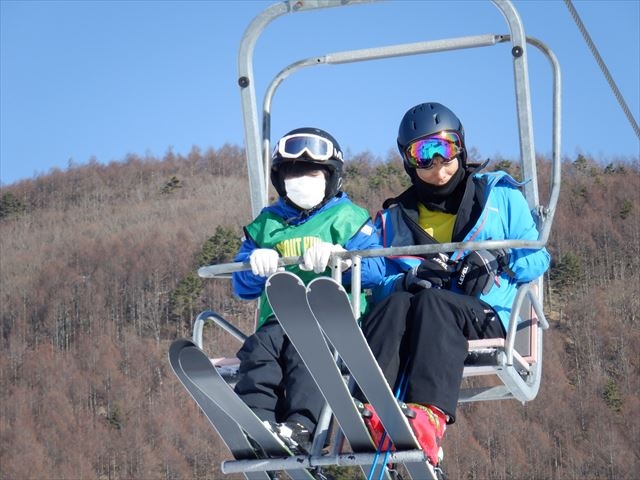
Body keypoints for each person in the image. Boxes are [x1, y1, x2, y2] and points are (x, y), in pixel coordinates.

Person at [358, 102, 551, 467]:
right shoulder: (395, 218)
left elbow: (538, 258)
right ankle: (371, 406)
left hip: (487, 313)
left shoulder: (498, 196)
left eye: (443, 148)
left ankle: (428, 416)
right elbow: (379, 285)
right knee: (395, 304)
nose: (437, 165)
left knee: (435, 303)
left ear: (460, 146)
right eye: (422, 155)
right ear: (408, 161)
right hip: (420, 317)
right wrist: (408, 279)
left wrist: (499, 258)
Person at [231, 127, 385, 453]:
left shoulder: (348, 218)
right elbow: (241, 287)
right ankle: (257, 421)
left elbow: (377, 271)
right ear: (280, 178)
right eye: (293, 172)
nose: (302, 179)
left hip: (331, 321)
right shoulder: (267, 224)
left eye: (311, 172)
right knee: (258, 352)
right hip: (278, 319)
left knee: (309, 354)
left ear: (330, 177)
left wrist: (341, 261)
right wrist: (254, 263)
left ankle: (302, 426)